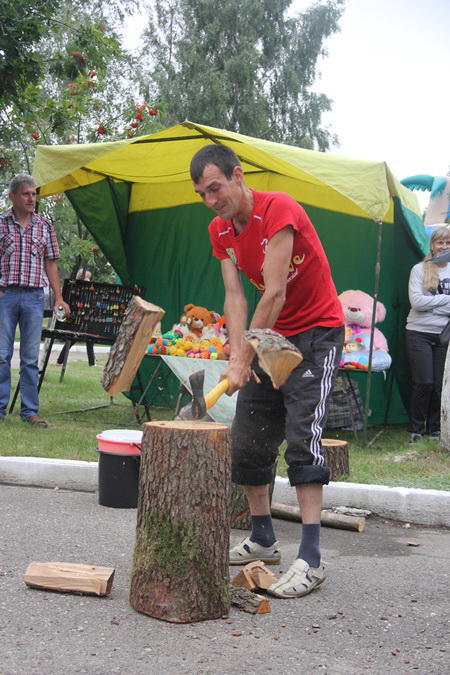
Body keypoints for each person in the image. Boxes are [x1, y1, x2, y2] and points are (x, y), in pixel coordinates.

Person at [190, 145, 344, 599]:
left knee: (302, 435)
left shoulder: (280, 210)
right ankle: (263, 538)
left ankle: (311, 558)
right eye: (201, 193)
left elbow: (273, 292)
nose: (210, 200)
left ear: (238, 176)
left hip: (315, 333)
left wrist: (244, 355)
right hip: (269, 335)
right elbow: (235, 296)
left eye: (215, 188)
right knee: (249, 437)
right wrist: (239, 350)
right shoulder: (219, 229)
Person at [0, 173, 70, 427]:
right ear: (12, 196)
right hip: (5, 295)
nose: (31, 198)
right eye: (26, 194)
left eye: (34, 194)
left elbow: (50, 263)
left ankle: (30, 411)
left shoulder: (44, 225)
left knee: (30, 358)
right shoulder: (1, 222)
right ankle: (0, 409)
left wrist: (59, 298)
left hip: (33, 298)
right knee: (1, 355)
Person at [406, 224, 450, 443]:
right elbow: (416, 302)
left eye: (448, 242)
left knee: (438, 385)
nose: (444, 246)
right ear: (432, 245)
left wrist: (430, 304)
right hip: (418, 332)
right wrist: (446, 300)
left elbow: (424, 303)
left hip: (444, 334)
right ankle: (415, 429)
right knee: (424, 382)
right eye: (440, 242)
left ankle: (434, 429)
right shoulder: (419, 269)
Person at [56, 269, 96, 367]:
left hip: (84, 318)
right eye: (87, 278)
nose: (89, 280)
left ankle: (92, 363)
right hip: (76, 319)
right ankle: (60, 361)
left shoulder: (88, 290)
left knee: (89, 339)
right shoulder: (76, 289)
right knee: (72, 339)